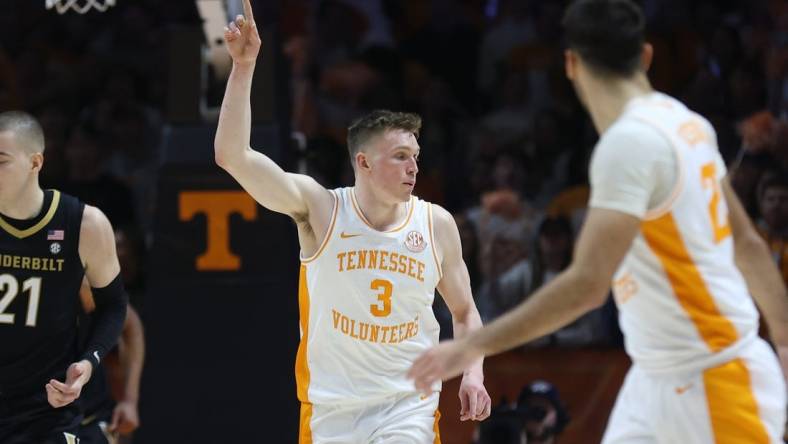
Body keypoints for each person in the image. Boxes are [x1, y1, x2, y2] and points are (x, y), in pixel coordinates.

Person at [408, 1, 788, 443]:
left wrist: (472, 344)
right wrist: (783, 339)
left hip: (714, 375)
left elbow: (588, 285)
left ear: (571, 64)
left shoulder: (628, 143)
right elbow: (747, 243)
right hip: (653, 378)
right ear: (645, 56)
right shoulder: (688, 124)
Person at [215, 1, 491, 442]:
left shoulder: (435, 223)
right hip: (331, 410)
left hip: (408, 407)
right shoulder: (321, 208)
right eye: (400, 157)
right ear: (362, 162)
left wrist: (473, 374)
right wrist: (244, 66)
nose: (413, 168)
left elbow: (464, 311)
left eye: (416, 157)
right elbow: (233, 157)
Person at [0, 110, 128, 443]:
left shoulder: (84, 224)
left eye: (1, 161)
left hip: (45, 413)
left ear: (35, 162)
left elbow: (114, 307)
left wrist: (89, 362)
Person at [78, 278, 144, 444]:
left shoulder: (77, 287)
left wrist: (129, 400)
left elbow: (130, 324)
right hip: (30, 417)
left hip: (88, 420)